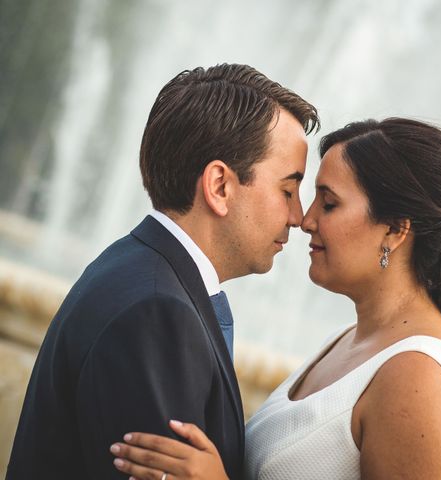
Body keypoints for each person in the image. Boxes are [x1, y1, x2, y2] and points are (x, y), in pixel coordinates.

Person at [110, 118, 441, 479]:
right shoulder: (353, 340)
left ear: (395, 230)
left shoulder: (419, 378)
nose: (305, 219)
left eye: (328, 203)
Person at [6, 64, 319, 480]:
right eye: (287, 190)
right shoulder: (157, 313)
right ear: (220, 187)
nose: (298, 216)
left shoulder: (136, 267)